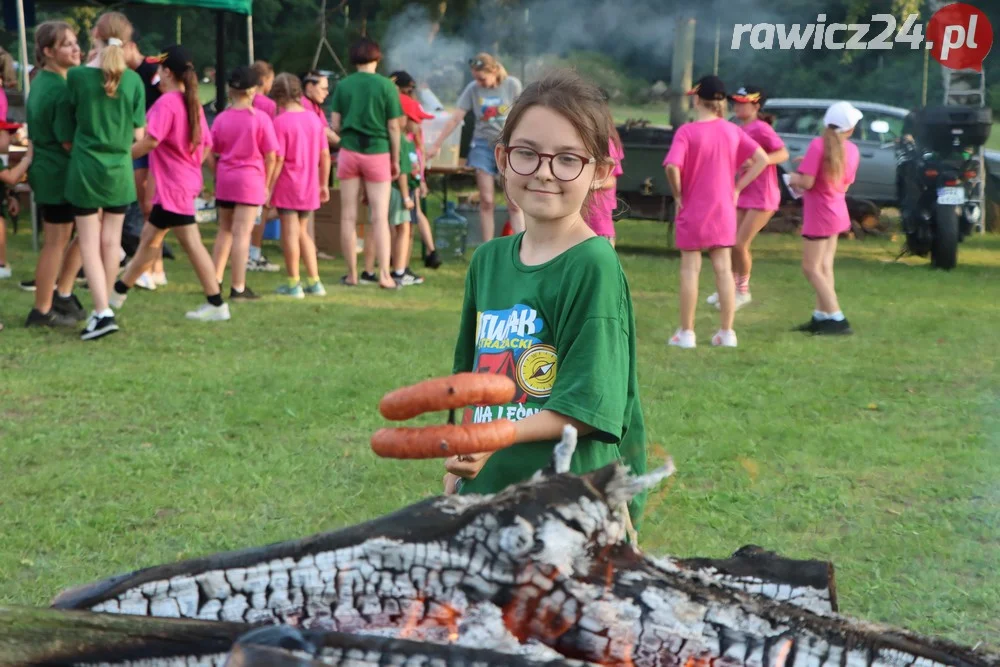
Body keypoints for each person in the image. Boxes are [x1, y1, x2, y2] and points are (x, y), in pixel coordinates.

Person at [442, 68, 649, 537]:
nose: (544, 172)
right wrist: (459, 459)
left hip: (568, 508)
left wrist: (494, 436)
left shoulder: (592, 263)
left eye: (567, 159)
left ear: (598, 173)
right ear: (502, 158)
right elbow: (477, 381)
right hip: (491, 498)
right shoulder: (489, 260)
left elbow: (588, 405)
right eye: (527, 154)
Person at [109, 45, 229, 322]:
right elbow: (206, 145)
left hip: (174, 188)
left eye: (159, 71)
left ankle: (216, 302)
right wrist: (187, 165)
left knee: (191, 244)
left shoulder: (167, 103)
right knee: (149, 241)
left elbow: (151, 140)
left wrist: (119, 158)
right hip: (181, 185)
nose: (156, 76)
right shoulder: (192, 103)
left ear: (167, 72)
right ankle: (117, 294)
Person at [57, 11, 146, 341]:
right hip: (120, 169)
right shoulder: (134, 80)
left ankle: (103, 311)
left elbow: (66, 129)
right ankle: (102, 308)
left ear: (94, 33)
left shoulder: (78, 78)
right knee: (111, 242)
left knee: (90, 244)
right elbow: (139, 135)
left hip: (85, 167)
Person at [663, 75, 769, 349]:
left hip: (692, 209)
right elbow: (762, 159)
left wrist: (678, 194)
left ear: (697, 99)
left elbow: (672, 166)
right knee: (723, 270)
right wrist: (737, 188)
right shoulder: (733, 131)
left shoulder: (687, 132)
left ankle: (686, 333)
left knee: (690, 269)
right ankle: (727, 332)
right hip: (723, 209)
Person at [24, 20, 88, 328]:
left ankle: (62, 292)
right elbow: (67, 141)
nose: (76, 48)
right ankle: (42, 308)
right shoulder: (60, 89)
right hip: (58, 172)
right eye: (67, 44)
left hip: (50, 170)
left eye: (76, 42)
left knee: (81, 233)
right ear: (48, 51)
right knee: (57, 241)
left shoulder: (42, 80)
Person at [329, 37, 404, 289]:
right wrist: (395, 158)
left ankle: (351, 274)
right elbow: (394, 126)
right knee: (379, 217)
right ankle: (384, 275)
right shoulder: (386, 86)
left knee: (348, 216)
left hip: (349, 152)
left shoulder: (344, 85)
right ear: (377, 58)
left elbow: (336, 124)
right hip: (378, 151)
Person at [426, 53, 525, 243]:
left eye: (482, 78)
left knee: (514, 201)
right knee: (486, 200)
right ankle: (487, 246)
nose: (479, 82)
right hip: (482, 146)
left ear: (494, 71)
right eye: (475, 78)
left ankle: (522, 245)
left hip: (508, 145)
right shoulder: (473, 89)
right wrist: (436, 144)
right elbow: (456, 118)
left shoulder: (512, 85)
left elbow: (523, 113)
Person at [705, 85, 788, 311]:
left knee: (741, 244)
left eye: (744, 103)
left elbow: (783, 154)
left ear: (756, 106)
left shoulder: (761, 128)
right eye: (736, 102)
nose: (738, 106)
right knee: (730, 242)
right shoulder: (737, 128)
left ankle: (743, 291)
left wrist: (760, 161)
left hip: (763, 196)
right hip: (742, 193)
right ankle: (727, 287)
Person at [787, 101, 861, 336]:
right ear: (849, 129)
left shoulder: (818, 145)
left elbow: (807, 182)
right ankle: (821, 316)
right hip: (837, 212)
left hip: (819, 214)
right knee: (825, 266)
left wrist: (790, 178)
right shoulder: (852, 150)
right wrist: (805, 168)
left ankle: (837, 316)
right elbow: (845, 183)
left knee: (810, 268)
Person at [209, 65, 279, 301]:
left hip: (226, 178)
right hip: (250, 180)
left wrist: (217, 172)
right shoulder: (261, 119)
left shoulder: (221, 119)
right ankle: (238, 286)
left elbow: (211, 151)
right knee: (242, 234)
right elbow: (271, 155)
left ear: (230, 90)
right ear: (253, 91)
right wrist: (266, 183)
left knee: (224, 230)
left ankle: (214, 280)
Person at [268, 72, 330, 298]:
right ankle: (315, 281)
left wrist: (268, 186)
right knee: (303, 233)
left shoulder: (279, 122)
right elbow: (325, 155)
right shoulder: (314, 119)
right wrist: (323, 183)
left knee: (290, 234)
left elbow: (278, 158)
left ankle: (294, 283)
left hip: (288, 183)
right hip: (310, 183)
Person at [124, 31, 167, 289]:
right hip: (139, 144)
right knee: (145, 207)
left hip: (154, 145)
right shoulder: (125, 76)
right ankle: (152, 266)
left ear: (131, 46)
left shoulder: (152, 68)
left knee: (153, 207)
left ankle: (154, 266)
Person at [389, 70, 441, 271]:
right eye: (416, 120)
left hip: (411, 180)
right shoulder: (402, 138)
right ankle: (399, 264)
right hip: (403, 186)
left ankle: (403, 263)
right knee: (403, 223)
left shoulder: (408, 130)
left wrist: (420, 178)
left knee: (408, 224)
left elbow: (418, 150)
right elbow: (402, 169)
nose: (419, 124)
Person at [247, 59, 280, 274]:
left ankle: (245, 250)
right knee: (262, 210)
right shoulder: (269, 106)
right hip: (261, 163)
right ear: (265, 80)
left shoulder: (243, 101)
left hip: (240, 162)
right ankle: (254, 254)